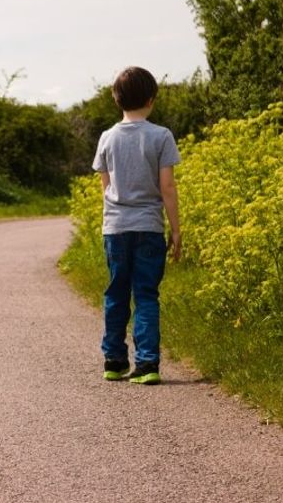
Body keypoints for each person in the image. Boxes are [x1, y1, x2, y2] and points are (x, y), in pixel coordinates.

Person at [92, 66, 181, 385]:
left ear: (117, 100)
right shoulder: (161, 136)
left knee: (116, 292)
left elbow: (106, 186)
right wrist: (176, 229)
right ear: (151, 98)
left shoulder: (107, 137)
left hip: (115, 228)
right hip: (149, 227)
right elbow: (167, 187)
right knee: (145, 294)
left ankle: (114, 361)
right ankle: (147, 365)